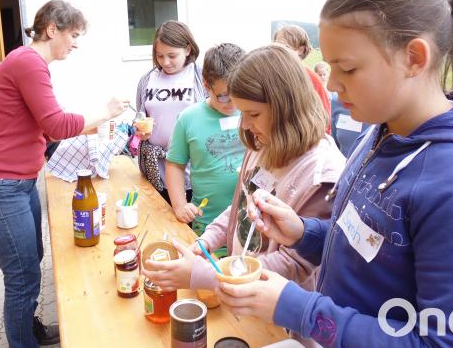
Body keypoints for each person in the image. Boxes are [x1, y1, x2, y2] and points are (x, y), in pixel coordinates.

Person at [216, 0, 453, 347]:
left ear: (414, 58)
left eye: (348, 68)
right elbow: (367, 246)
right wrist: (303, 233)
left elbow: (446, 343)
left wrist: (300, 310)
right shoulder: (379, 134)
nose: (330, 84)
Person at [143, 45, 345, 348]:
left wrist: (205, 275)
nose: (245, 125)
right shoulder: (261, 143)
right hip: (244, 297)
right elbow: (239, 207)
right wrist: (207, 240)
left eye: (252, 113)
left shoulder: (322, 173)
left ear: (285, 107)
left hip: (285, 326)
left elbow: (297, 263)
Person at [0, 0, 129, 348]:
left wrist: (87, 131)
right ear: (52, 29)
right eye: (73, 34)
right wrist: (104, 113)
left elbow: (47, 130)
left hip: (15, 184)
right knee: (21, 276)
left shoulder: (26, 62)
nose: (75, 42)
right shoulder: (29, 62)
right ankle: (23, 342)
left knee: (30, 262)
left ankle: (29, 330)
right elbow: (55, 123)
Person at [165, 43, 247, 257]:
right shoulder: (188, 119)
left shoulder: (252, 112)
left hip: (249, 228)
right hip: (208, 227)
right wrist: (179, 204)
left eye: (238, 94)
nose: (231, 103)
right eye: (223, 96)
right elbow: (174, 164)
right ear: (206, 85)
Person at [135, 20, 208, 204]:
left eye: (172, 55)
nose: (165, 62)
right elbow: (140, 115)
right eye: (160, 56)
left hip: (193, 169)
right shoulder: (147, 79)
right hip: (156, 170)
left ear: (188, 49)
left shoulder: (201, 76)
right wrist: (139, 130)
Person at [273, 25, 332, 131]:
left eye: (285, 47)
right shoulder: (271, 75)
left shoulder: (311, 78)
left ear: (300, 50)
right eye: (276, 46)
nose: (278, 51)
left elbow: (325, 118)